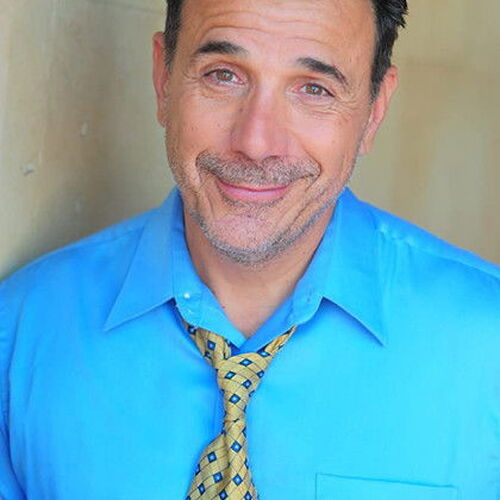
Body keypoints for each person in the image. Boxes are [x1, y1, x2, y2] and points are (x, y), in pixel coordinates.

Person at [0, 0, 499, 498]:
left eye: (314, 89)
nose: (256, 142)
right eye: (223, 75)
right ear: (163, 79)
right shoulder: (22, 331)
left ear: (374, 111)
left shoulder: (486, 344)